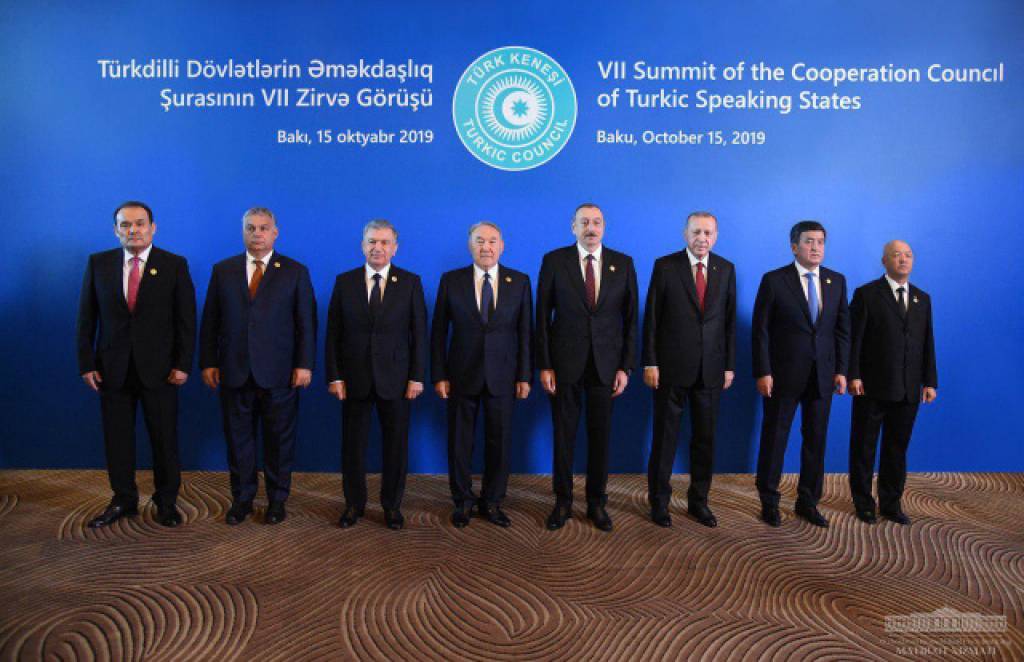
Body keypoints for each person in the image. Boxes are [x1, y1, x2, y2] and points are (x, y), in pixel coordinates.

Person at [76, 201, 195, 528]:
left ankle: (166, 502)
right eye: (125, 225)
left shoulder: (174, 264)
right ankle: (123, 499)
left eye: (140, 223)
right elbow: (86, 318)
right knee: (117, 441)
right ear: (116, 230)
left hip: (161, 371)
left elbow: (186, 320)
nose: (133, 230)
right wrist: (86, 363)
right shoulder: (99, 264)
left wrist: (183, 363)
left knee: (164, 440)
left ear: (152, 228)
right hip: (112, 369)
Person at [199, 207, 316, 525]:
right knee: (239, 441)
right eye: (251, 228)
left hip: (280, 373)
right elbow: (210, 320)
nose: (257, 233)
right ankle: (242, 499)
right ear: (243, 232)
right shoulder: (223, 270)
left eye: (264, 228)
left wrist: (304, 364)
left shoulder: (295, 271)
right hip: (234, 370)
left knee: (279, 442)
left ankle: (277, 501)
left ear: (275, 232)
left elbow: (306, 323)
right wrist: (208, 361)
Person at [536, 203, 638, 532]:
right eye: (584, 223)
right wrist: (545, 365)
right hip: (564, 364)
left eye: (596, 222)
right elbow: (542, 318)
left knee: (600, 438)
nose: (590, 228)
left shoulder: (623, 263)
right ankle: (562, 501)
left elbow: (631, 321)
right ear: (573, 227)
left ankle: (596, 502)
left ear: (604, 227)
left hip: (606, 366)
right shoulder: (554, 261)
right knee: (563, 436)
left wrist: (625, 367)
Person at [325, 219, 427, 530]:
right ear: (362, 246)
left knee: (395, 447)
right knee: (353, 447)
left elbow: (419, 335)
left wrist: (416, 377)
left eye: (384, 242)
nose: (377, 247)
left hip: (397, 381)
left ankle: (391, 506)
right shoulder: (345, 282)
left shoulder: (410, 282)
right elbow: (333, 334)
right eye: (372, 241)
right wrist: (335, 376)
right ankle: (353, 504)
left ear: (395, 248)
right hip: (354, 379)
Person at [431, 222, 532, 528]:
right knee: (460, 443)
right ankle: (462, 501)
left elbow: (525, 333)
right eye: (479, 241)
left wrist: (524, 376)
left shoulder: (520, 281)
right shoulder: (451, 281)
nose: (486, 247)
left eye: (492, 241)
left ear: (502, 246)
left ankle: (492, 502)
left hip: (504, 376)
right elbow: (438, 333)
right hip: (461, 375)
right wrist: (439, 375)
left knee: (499, 443)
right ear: (470, 245)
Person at [753, 221, 850, 528]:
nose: (815, 247)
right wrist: (763, 370)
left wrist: (841, 371)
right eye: (809, 241)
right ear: (794, 246)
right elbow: (760, 331)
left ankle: (808, 501)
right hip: (782, 376)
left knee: (816, 441)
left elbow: (842, 331)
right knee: (775, 439)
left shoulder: (836, 281)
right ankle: (769, 501)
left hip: (823, 376)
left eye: (820, 242)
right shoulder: (774, 280)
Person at [643, 211, 736, 528]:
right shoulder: (665, 266)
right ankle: (659, 503)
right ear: (686, 234)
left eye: (708, 233)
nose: (702, 238)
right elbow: (652, 318)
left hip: (711, 370)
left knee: (704, 441)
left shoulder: (726, 269)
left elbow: (728, 322)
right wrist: (651, 361)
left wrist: (729, 366)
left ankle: (699, 502)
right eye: (696, 232)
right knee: (664, 440)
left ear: (716, 236)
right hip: (670, 369)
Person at [848, 240, 937, 525]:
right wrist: (853, 375)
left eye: (908, 255)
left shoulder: (922, 298)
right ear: (884, 261)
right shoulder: (866, 294)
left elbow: (927, 342)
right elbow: (854, 339)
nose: (903, 259)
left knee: (897, 449)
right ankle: (863, 503)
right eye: (896, 255)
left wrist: (930, 381)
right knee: (864, 448)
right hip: (871, 386)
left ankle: (891, 503)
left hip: (909, 388)